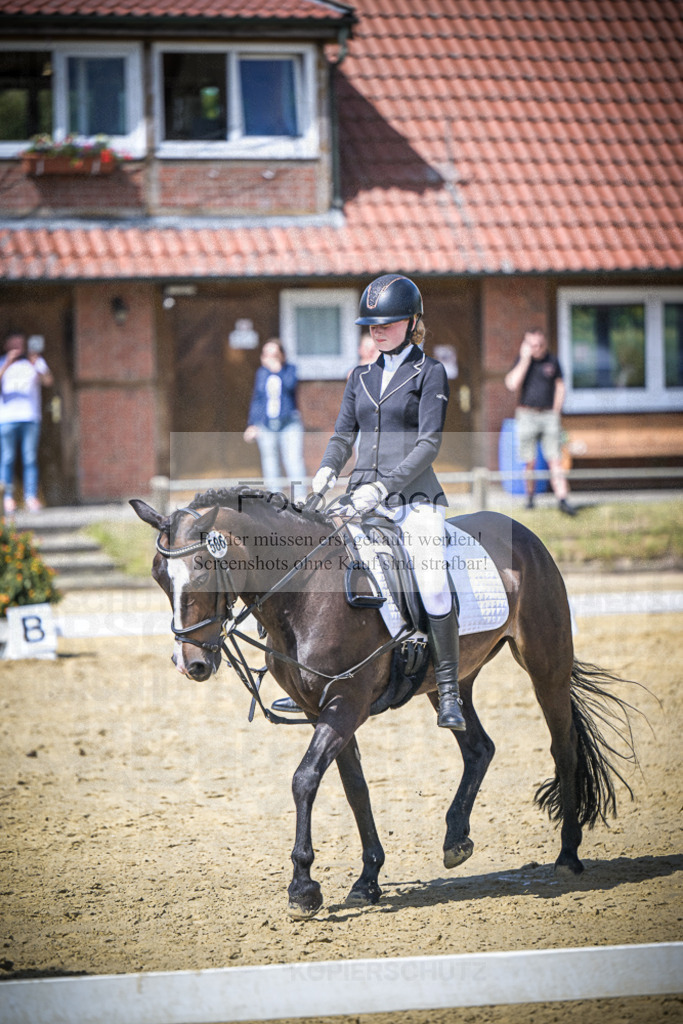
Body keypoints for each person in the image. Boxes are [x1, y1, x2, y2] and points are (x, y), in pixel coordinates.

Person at [310, 274, 465, 731]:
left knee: (432, 582)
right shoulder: (360, 376)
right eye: (371, 325)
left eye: (388, 323)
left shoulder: (430, 373)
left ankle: (449, 690)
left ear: (412, 322)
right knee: (315, 557)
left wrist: (385, 488)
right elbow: (343, 435)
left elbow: (428, 444)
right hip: (360, 493)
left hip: (414, 497)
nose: (377, 331)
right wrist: (326, 470)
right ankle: (310, 677)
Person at [504, 328, 575, 516]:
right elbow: (512, 384)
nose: (536, 348)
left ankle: (562, 500)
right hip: (526, 415)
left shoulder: (552, 361)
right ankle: (530, 498)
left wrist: (556, 411)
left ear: (544, 343)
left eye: (539, 345)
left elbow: (560, 386)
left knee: (555, 459)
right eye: (532, 345)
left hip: (548, 416)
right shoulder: (522, 361)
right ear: (526, 345)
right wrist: (525, 359)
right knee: (529, 461)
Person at [243, 338, 306, 498]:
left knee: (293, 461)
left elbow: (289, 386)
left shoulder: (290, 370)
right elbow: (257, 399)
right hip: (266, 424)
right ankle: (275, 500)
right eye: (266, 354)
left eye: (274, 355)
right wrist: (252, 424)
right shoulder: (261, 373)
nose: (270, 358)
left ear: (282, 355)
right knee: (270, 462)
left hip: (289, 423)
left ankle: (300, 499)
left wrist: (277, 369)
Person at [0, 332, 53, 517]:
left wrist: (35, 363)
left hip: (30, 417)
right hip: (6, 418)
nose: (17, 347)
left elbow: (48, 381)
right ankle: (7, 498)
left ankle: (30, 497)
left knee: (29, 458)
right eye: (14, 344)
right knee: (7, 459)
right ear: (6, 345)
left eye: (20, 344)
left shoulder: (35, 362)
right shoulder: (2, 362)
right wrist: (7, 363)